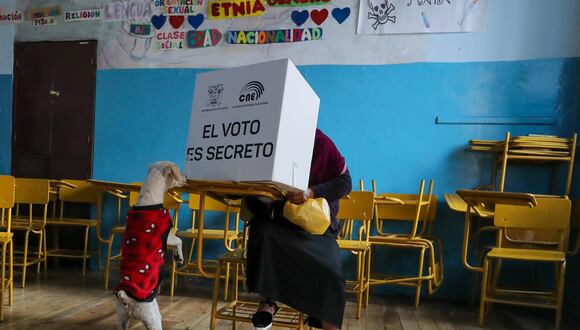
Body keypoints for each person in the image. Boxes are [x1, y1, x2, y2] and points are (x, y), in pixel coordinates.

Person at [246, 129, 352, 330]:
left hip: (314, 225)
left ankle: (326, 319)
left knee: (329, 269)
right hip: (274, 220)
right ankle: (268, 302)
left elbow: (345, 183)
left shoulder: (320, 142)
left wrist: (311, 193)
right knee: (262, 232)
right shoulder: (259, 137)